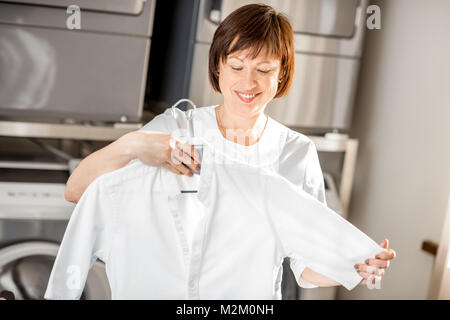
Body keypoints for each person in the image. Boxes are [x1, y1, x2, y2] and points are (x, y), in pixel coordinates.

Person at [64, 4, 396, 289]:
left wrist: (353, 266)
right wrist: (134, 144)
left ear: (281, 75)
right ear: (218, 67)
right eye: (236, 66)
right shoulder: (177, 129)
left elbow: (305, 269)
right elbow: (77, 191)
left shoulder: (295, 151)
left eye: (263, 69)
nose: (248, 83)